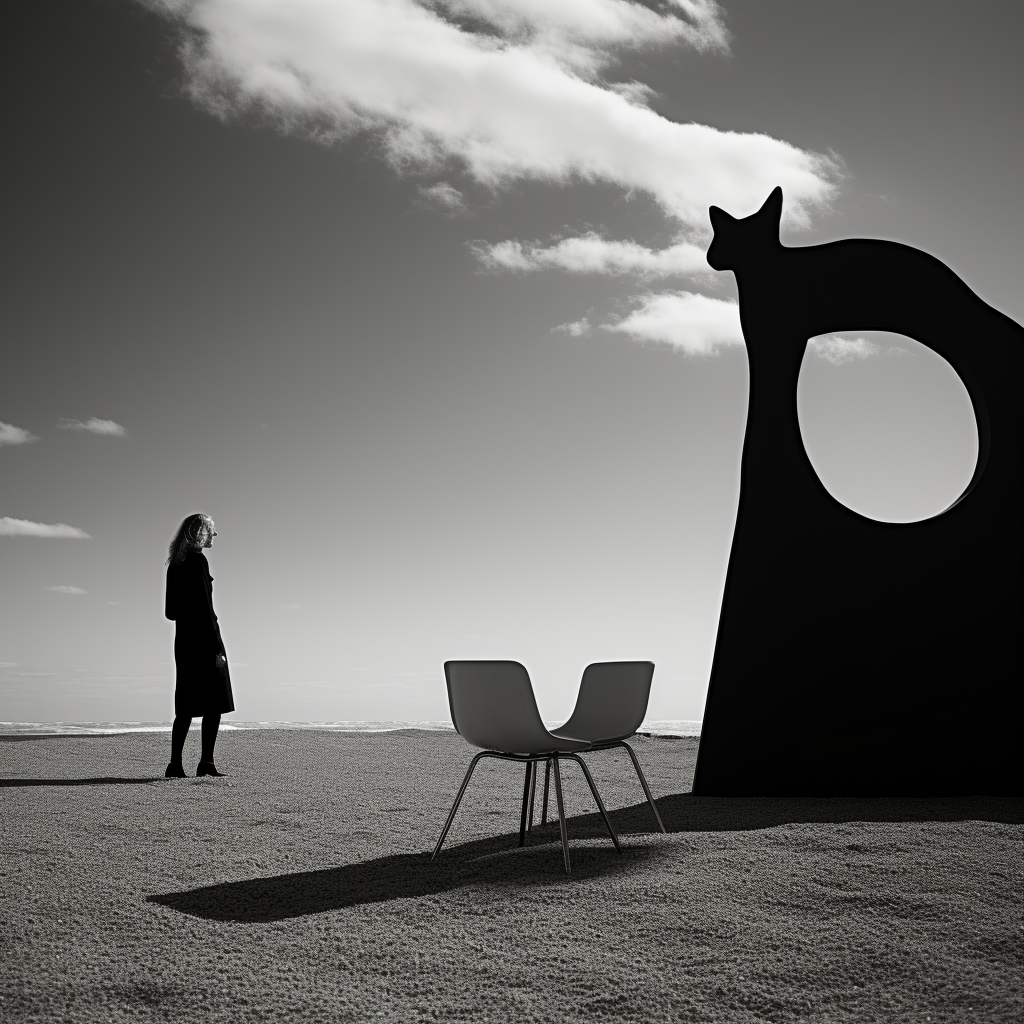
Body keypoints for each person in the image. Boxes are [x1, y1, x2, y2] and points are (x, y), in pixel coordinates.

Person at [164, 513, 234, 778]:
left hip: (184, 641)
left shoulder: (175, 564)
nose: (214, 535)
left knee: (186, 703)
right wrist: (217, 647)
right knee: (214, 701)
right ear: (199, 533)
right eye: (211, 530)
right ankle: (206, 763)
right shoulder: (197, 561)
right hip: (205, 639)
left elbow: (170, 612)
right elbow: (207, 609)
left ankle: (175, 764)